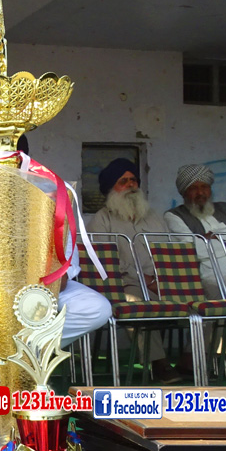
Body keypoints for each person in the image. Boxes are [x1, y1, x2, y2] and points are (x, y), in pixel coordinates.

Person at [0, 138, 110, 348]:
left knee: (96, 308)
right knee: (9, 310)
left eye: (13, 165)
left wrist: (54, 278)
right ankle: (9, 351)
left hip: (47, 286)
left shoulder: (47, 198)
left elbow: (68, 259)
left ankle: (26, 350)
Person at [85, 159, 183, 383]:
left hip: (160, 282)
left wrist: (162, 278)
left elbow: (170, 250)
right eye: (123, 181)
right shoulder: (101, 220)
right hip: (123, 284)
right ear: (111, 189)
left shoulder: (154, 216)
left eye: (133, 180)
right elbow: (105, 261)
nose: (130, 185)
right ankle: (158, 363)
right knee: (137, 301)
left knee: (201, 296)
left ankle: (195, 359)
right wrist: (144, 279)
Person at [165, 164, 226, 298]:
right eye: (193, 188)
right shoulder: (174, 216)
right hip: (209, 279)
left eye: (204, 187)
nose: (200, 193)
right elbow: (192, 249)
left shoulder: (224, 208)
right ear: (184, 192)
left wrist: (216, 235)